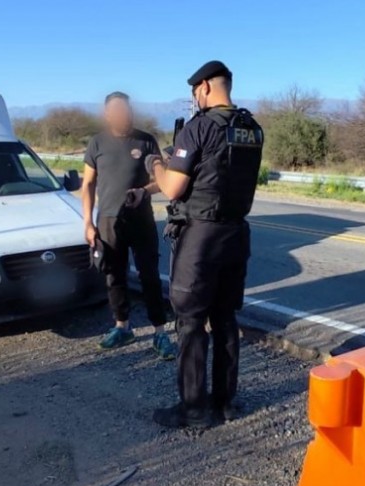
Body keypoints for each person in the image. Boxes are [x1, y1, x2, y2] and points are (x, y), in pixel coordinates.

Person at [146, 61, 264, 429]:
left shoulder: (198, 129)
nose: (194, 98)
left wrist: (155, 164)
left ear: (205, 87)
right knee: (226, 319)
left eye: (195, 91)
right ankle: (226, 402)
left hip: (201, 238)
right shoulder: (252, 129)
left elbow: (173, 188)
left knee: (191, 322)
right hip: (236, 234)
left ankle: (194, 410)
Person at [82, 92, 175, 360]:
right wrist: (88, 223)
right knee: (114, 275)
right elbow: (87, 185)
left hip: (141, 219)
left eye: (127, 110)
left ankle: (159, 332)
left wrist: (144, 192)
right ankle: (122, 326)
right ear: (108, 114)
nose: (125, 115)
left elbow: (161, 180)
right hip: (109, 220)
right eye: (118, 110)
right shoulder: (97, 143)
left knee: (149, 276)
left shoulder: (146, 140)